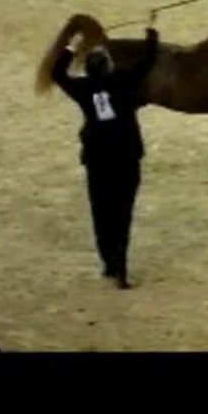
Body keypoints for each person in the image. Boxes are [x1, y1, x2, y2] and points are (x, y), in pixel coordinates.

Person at [52, 15, 159, 289]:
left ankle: (109, 263)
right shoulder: (123, 81)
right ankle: (121, 266)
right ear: (110, 66)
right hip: (126, 156)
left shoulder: (83, 88)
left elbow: (57, 74)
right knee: (123, 212)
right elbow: (147, 61)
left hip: (98, 158)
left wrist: (72, 46)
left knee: (101, 211)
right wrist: (151, 33)